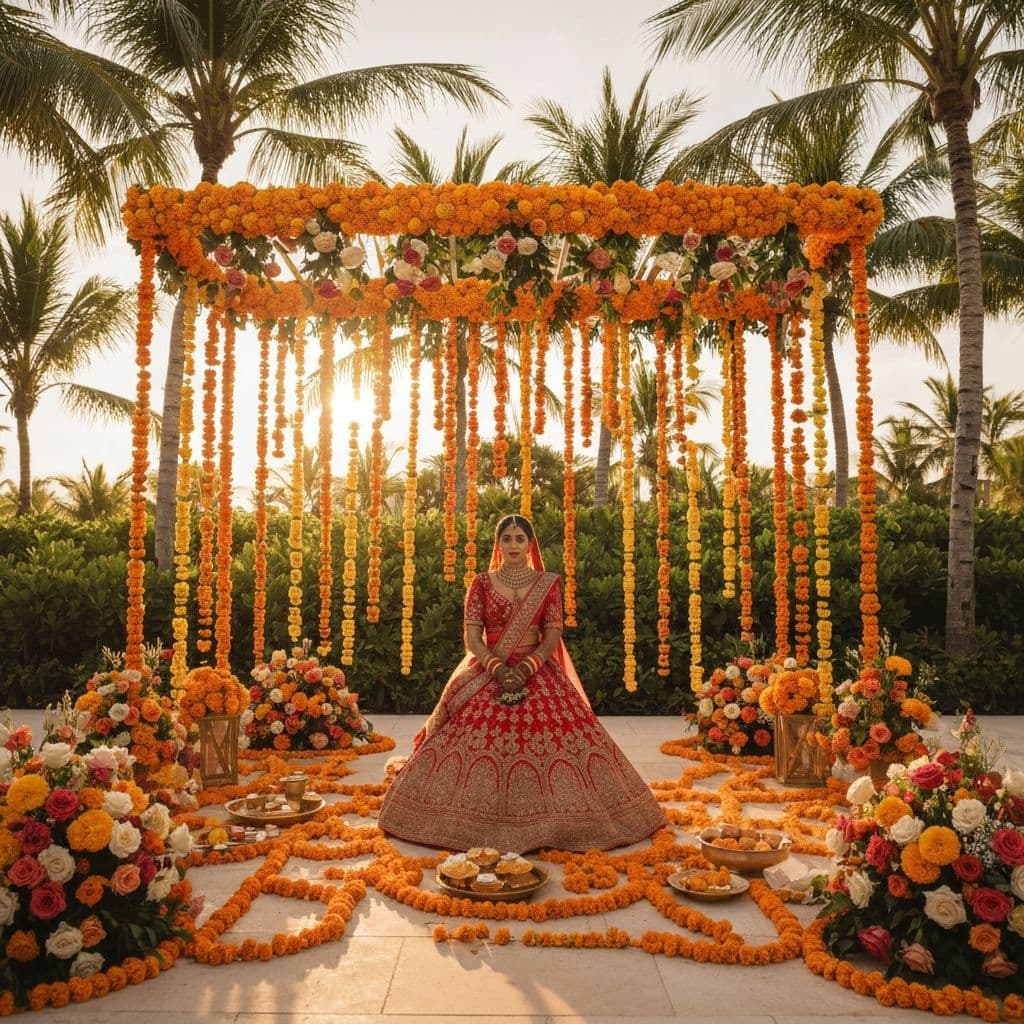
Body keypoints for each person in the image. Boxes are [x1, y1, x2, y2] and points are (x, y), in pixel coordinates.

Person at [378, 513, 666, 852]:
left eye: (519, 539)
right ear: (498, 545)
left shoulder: (548, 583)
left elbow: (553, 634)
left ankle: (560, 820)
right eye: (507, 538)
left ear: (530, 545)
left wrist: (528, 667)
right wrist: (498, 668)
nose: (513, 545)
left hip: (538, 670)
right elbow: (472, 637)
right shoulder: (481, 583)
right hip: (489, 669)